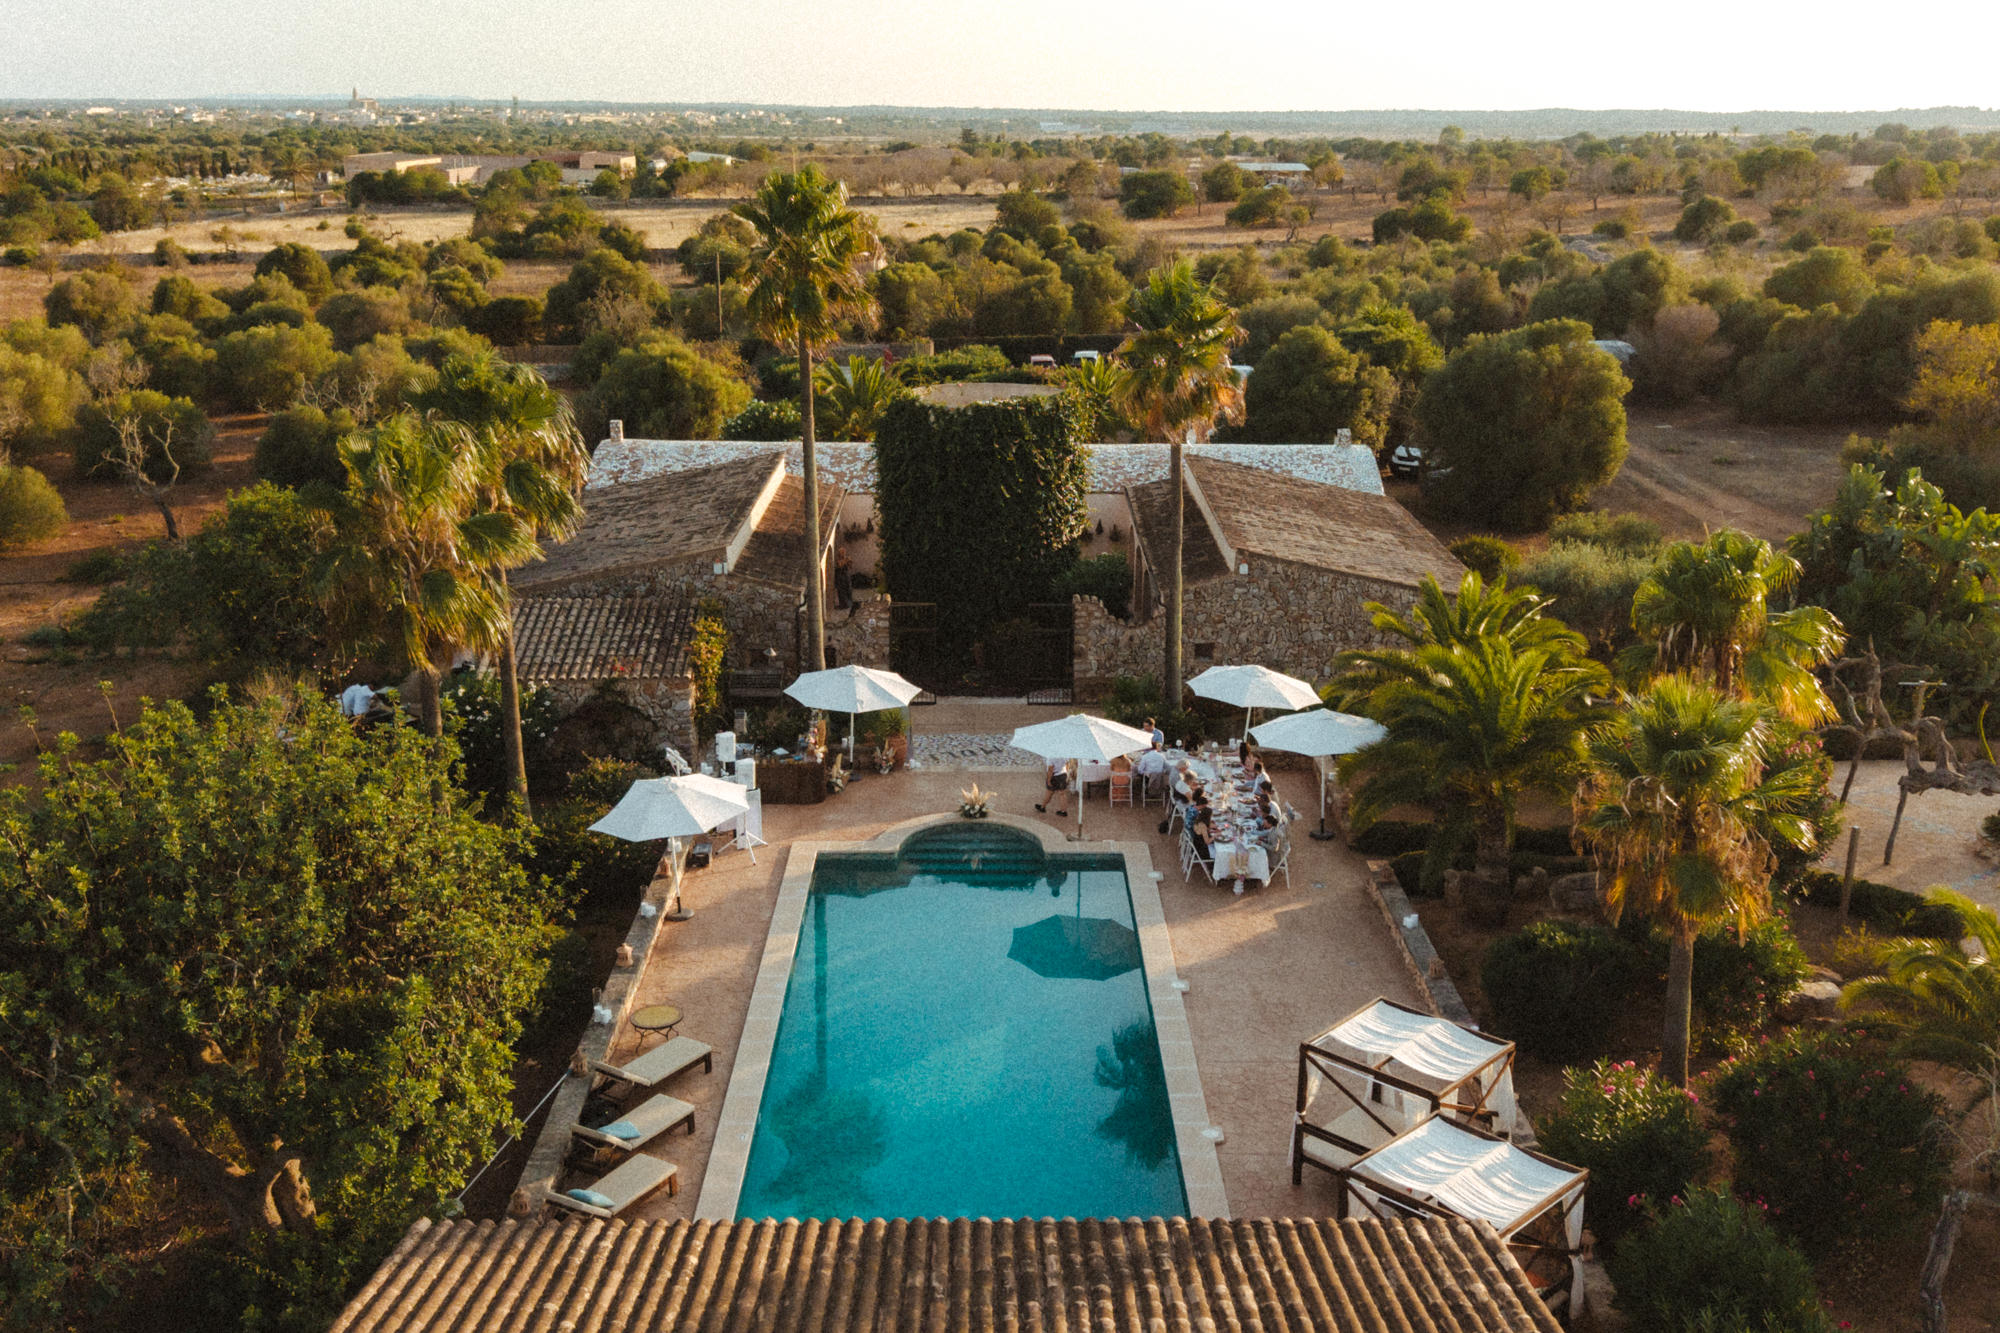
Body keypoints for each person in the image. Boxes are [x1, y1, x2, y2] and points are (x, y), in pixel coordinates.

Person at [833, 545, 854, 611]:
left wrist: (849, 562)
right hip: (840, 578)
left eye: (843, 552)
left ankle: (848, 604)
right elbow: (839, 566)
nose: (842, 554)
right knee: (841, 592)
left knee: (848, 590)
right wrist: (845, 561)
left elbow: (850, 567)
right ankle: (843, 605)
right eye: (841, 553)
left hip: (845, 577)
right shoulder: (838, 560)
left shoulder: (846, 559)